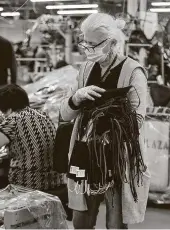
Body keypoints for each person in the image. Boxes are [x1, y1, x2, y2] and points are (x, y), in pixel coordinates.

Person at [60, 13, 151, 229]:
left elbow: (138, 119)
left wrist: (109, 120)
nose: (87, 49)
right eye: (85, 43)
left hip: (117, 159)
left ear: (111, 42)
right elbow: (65, 114)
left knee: (115, 221)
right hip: (85, 154)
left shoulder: (132, 71)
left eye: (93, 44)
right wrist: (75, 98)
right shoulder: (85, 70)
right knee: (81, 219)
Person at [0, 84, 64, 191]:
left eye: (1, 111)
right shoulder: (43, 116)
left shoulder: (14, 120)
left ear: (8, 109)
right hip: (53, 183)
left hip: (27, 186)